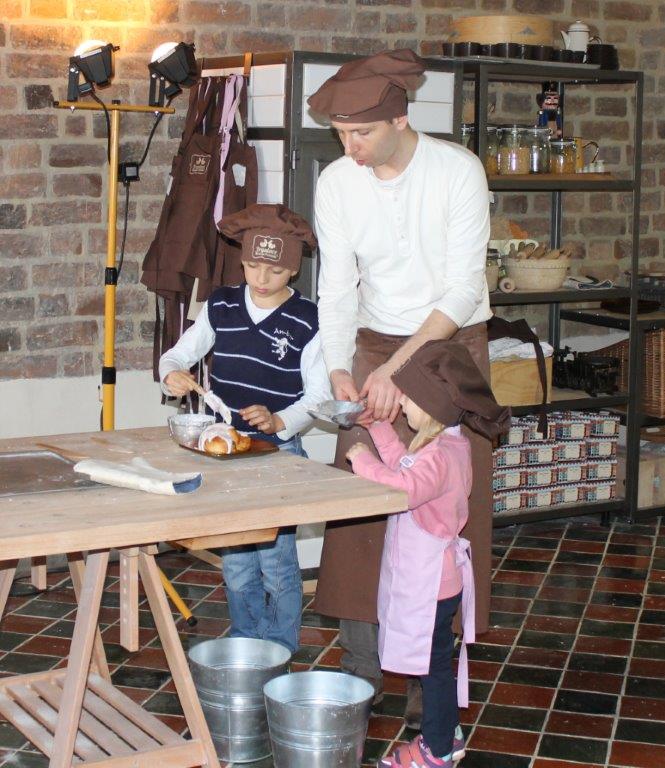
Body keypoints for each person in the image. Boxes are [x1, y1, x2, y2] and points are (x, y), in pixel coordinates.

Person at [307, 48, 494, 723]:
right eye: (340, 134)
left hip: (449, 348)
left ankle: (429, 672)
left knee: (441, 511)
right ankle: (363, 663)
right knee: (362, 503)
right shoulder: (337, 182)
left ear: (399, 119)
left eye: (361, 133)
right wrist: (340, 365)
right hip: (373, 345)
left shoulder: (457, 170)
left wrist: (398, 371)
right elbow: (336, 286)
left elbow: (462, 289)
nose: (349, 148)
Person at [158, 203, 330, 653]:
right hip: (226, 450)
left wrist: (279, 420)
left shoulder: (309, 320)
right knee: (235, 563)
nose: (261, 278)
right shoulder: (222, 305)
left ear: (293, 270)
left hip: (277, 454)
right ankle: (245, 645)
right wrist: (171, 372)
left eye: (274, 270)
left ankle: (279, 648)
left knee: (276, 563)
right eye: (253, 266)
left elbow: (317, 397)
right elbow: (178, 354)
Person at [346, 340, 510, 767]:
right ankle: (446, 734)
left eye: (408, 397)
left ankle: (436, 750)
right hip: (436, 582)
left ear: (433, 406)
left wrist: (362, 461)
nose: (400, 403)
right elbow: (405, 466)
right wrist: (378, 430)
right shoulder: (446, 446)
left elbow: (404, 488)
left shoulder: (439, 457)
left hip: (430, 586)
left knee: (431, 668)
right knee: (434, 663)